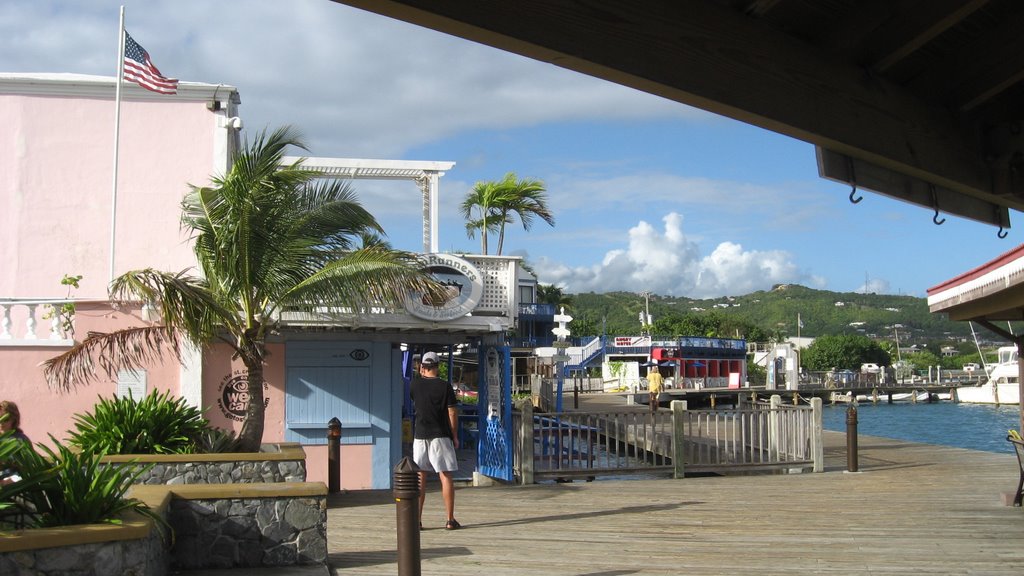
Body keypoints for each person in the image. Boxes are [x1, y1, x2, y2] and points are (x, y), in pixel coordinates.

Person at [410, 351, 461, 530]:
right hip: (440, 434)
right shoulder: (444, 386)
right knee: (445, 475)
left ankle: (417, 520)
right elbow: (452, 412)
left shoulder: (414, 385)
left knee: (420, 476)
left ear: (423, 366)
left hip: (420, 435)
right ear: (438, 366)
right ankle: (449, 519)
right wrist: (454, 435)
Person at [1, 400, 30, 486]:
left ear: (14, 419)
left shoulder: (20, 440)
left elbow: (28, 466)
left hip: (17, 481)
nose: (1, 423)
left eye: (5, 419)